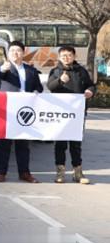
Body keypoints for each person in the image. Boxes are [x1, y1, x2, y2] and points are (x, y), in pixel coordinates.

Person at [0, 41, 43, 183]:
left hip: (25, 111)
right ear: (8, 53)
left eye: (18, 50)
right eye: (12, 50)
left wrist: (37, 91)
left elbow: (39, 87)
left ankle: (24, 173)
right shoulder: (3, 67)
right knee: (4, 143)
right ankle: (1, 172)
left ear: (23, 52)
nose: (15, 53)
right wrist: (2, 69)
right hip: (8, 110)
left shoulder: (31, 70)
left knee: (23, 144)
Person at [48, 45, 96, 184]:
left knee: (76, 144)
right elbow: (50, 87)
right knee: (60, 144)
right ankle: (60, 172)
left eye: (69, 55)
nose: (66, 58)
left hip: (77, 114)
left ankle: (78, 173)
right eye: (63, 55)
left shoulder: (81, 71)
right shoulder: (55, 71)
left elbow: (91, 85)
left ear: (74, 56)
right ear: (59, 57)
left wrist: (90, 91)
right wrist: (60, 80)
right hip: (60, 114)